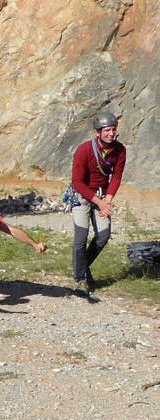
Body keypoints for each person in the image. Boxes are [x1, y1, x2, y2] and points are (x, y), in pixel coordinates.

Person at [70, 111, 125, 297]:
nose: (111, 133)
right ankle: (79, 280)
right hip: (82, 196)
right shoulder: (83, 150)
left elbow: (116, 176)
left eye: (113, 129)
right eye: (107, 130)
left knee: (103, 236)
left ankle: (83, 267)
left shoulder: (120, 150)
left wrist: (107, 200)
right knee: (80, 238)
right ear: (97, 132)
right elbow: (76, 182)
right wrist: (99, 202)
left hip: (102, 195)